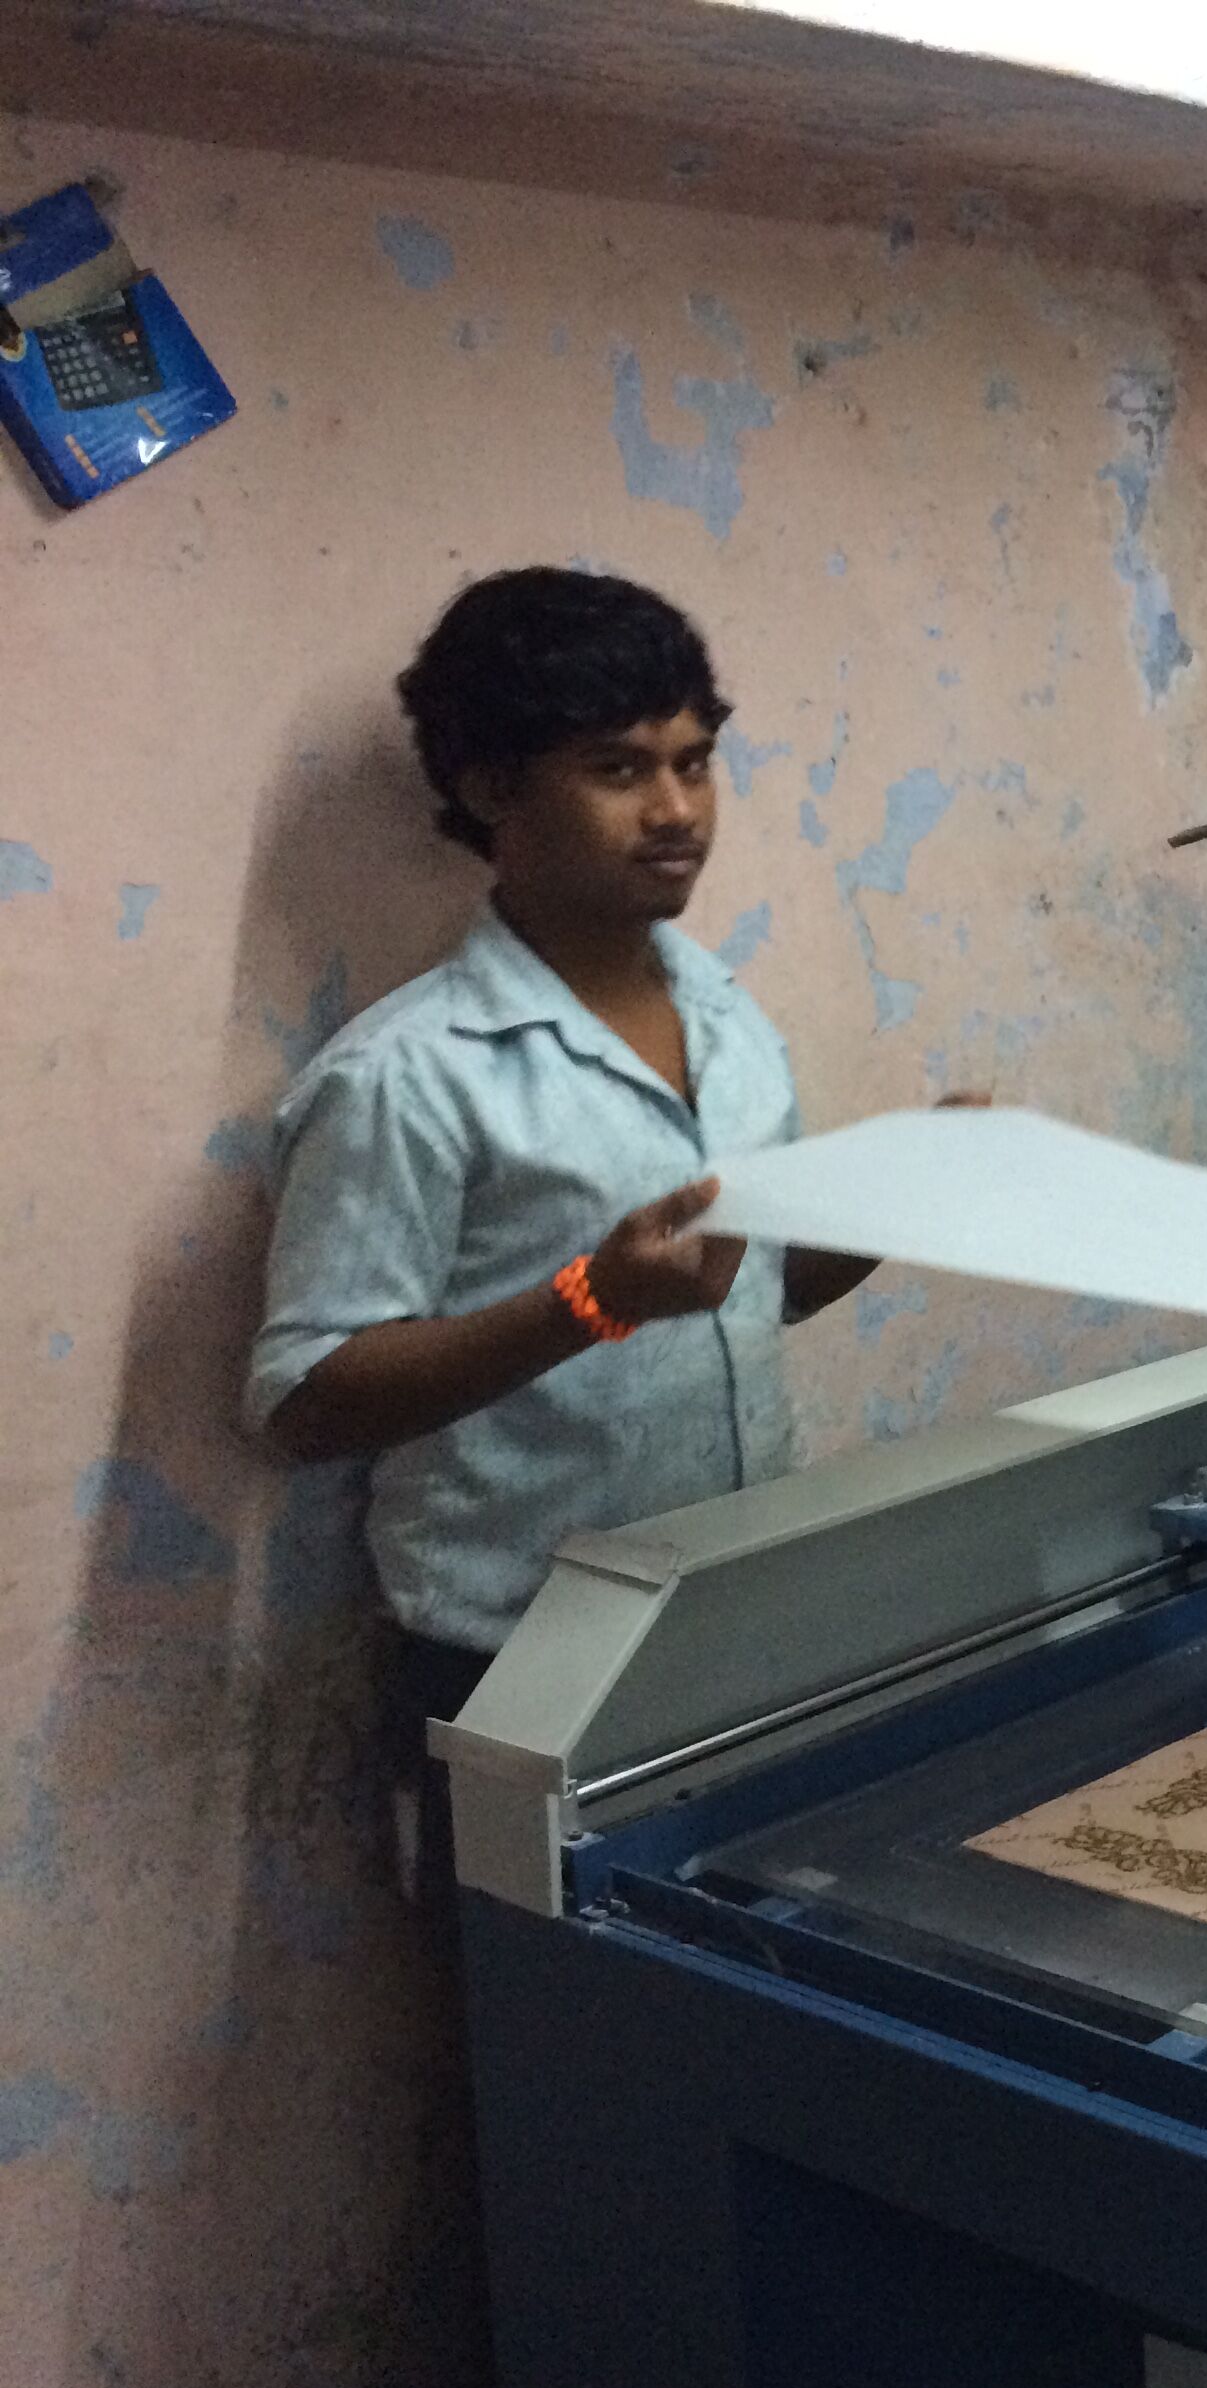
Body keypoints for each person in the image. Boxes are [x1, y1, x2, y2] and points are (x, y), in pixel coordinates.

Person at [247, 569, 901, 1882]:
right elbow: (305, 1402)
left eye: (695, 763)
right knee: (548, 1992)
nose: (677, 812)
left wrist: (906, 1203)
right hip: (515, 1655)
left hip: (732, 1599)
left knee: (740, 1967)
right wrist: (587, 1301)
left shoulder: (727, 1017)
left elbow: (744, 1297)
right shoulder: (409, 1076)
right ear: (493, 788)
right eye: (619, 769)